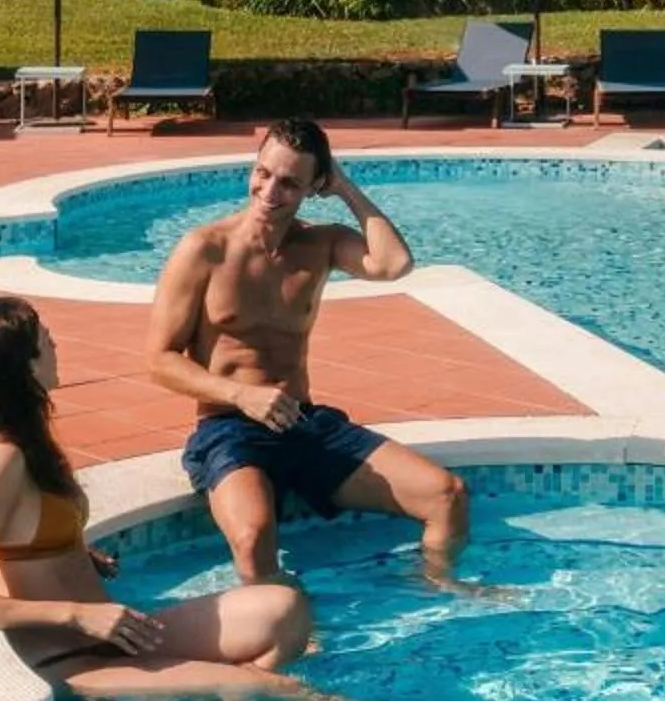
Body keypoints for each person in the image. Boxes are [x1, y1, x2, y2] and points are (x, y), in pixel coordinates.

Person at [0, 293, 539, 701]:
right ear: (23, 368)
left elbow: (18, 539)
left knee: (284, 609)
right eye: (43, 340)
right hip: (76, 659)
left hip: (117, 631)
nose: (56, 343)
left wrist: (70, 555)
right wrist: (78, 609)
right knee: (272, 686)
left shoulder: (25, 442)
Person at [147, 118, 477, 590]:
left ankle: (441, 591)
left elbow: (394, 264)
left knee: (448, 495)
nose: (269, 191)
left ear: (312, 186)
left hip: (304, 424)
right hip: (229, 429)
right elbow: (159, 359)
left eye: (288, 182)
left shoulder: (319, 244)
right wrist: (242, 395)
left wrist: (343, 187)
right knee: (254, 535)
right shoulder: (205, 249)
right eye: (263, 173)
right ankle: (288, 631)